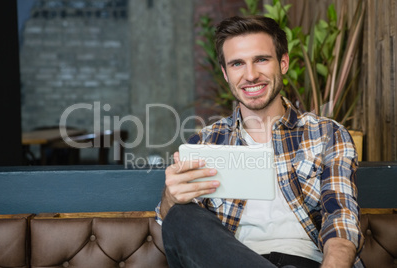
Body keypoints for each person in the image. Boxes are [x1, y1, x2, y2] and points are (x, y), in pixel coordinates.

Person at [155, 15, 364, 268]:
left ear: (283, 63)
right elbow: (186, 234)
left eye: (261, 60)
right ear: (225, 73)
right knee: (180, 216)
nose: (251, 75)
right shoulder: (205, 142)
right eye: (237, 64)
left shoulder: (327, 134)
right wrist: (171, 198)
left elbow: (341, 222)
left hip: (306, 262)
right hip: (228, 261)